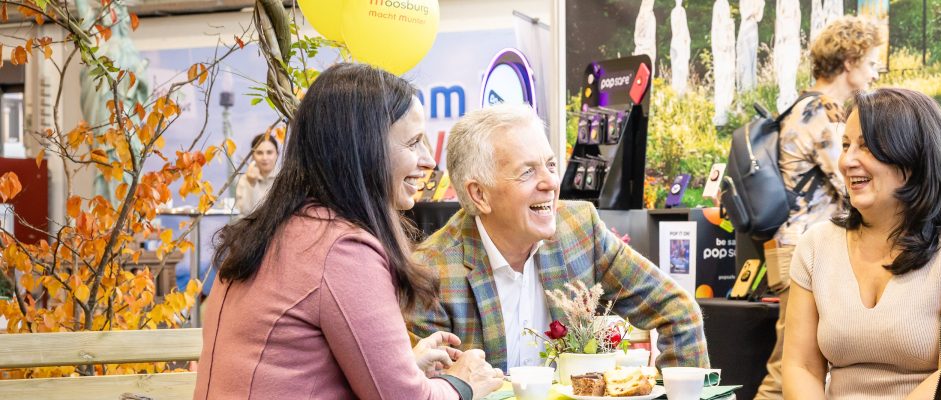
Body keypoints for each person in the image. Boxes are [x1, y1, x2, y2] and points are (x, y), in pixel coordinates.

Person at [195, 64, 504, 400]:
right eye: (414, 142)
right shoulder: (342, 249)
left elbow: (297, 370)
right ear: (364, 149)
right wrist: (462, 382)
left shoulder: (280, 230)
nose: (429, 160)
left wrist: (405, 366)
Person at [410, 104, 709, 372]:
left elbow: (678, 311)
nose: (551, 182)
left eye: (551, 165)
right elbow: (428, 389)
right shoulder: (428, 272)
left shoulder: (579, 228)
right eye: (527, 172)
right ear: (479, 194)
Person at [780, 88, 941, 400]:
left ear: (912, 155)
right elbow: (800, 366)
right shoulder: (816, 245)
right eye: (845, 145)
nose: (847, 161)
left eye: (867, 147)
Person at [759, 15, 884, 400]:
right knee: (785, 371)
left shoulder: (802, 105)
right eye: (871, 62)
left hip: (787, 246)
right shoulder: (824, 112)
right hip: (803, 251)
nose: (874, 73)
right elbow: (849, 182)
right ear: (849, 61)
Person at [234, 133, 280, 214]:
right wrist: (252, 184)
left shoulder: (285, 179)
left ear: (277, 154)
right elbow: (246, 212)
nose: (265, 158)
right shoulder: (244, 180)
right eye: (259, 153)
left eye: (269, 152)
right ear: (253, 156)